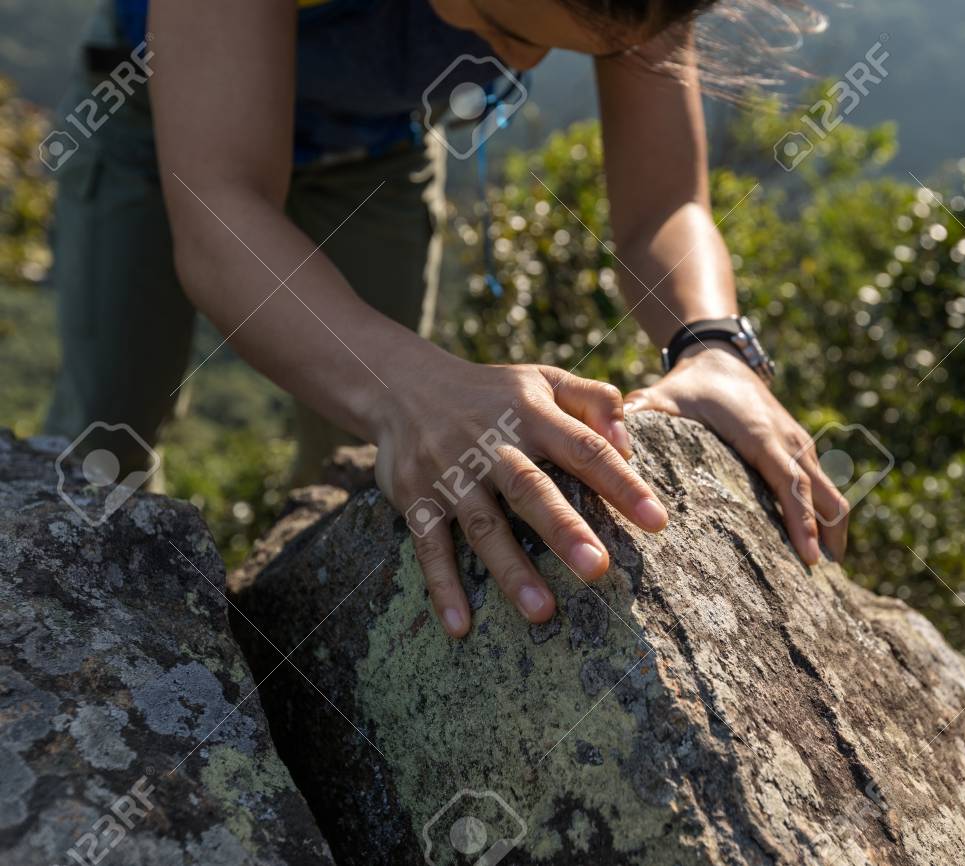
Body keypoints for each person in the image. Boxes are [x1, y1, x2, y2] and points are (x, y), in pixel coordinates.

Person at [45, 0, 849, 638]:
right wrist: (405, 387)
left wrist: (713, 345)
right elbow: (221, 211)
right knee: (110, 430)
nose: (527, 63)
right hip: (158, 126)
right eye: (508, 32)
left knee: (365, 465)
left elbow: (662, 206)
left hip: (371, 151)